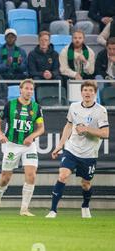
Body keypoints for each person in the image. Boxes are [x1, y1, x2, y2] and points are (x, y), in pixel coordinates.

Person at [46, 80, 110, 218]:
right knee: (63, 175)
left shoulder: (101, 111)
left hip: (89, 154)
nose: (87, 93)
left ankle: (85, 206)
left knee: (86, 184)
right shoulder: (74, 107)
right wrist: (60, 145)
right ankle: (53, 210)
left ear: (95, 93)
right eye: (85, 90)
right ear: (81, 92)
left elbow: (105, 133)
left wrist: (86, 129)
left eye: (91, 91)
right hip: (71, 149)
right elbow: (68, 126)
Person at [0, 79, 45, 217]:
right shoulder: (11, 105)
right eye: (27, 88)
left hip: (29, 146)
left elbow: (41, 128)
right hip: (12, 145)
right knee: (5, 178)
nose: (29, 91)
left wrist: (32, 136)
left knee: (31, 175)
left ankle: (24, 209)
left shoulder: (36, 108)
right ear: (21, 90)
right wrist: (0, 134)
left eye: (31, 89)